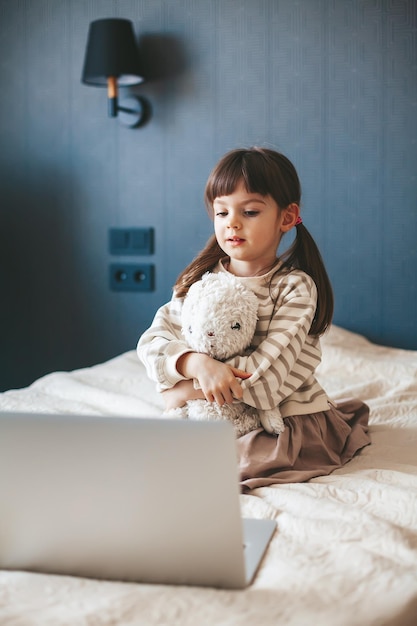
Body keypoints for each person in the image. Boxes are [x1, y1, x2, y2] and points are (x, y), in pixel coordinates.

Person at [137, 147, 370, 491]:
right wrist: (195, 364)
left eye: (249, 211)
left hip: (282, 419)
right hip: (216, 415)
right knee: (149, 458)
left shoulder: (293, 288)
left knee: (216, 471)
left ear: (287, 218)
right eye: (221, 212)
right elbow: (152, 343)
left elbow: (266, 377)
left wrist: (186, 388)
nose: (232, 222)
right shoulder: (198, 282)